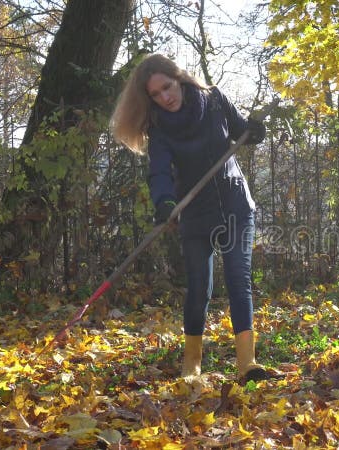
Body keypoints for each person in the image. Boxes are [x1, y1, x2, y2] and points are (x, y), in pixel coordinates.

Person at [110, 53, 273, 382]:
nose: (165, 97)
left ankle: (247, 363)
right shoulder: (159, 129)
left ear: (180, 79)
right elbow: (159, 173)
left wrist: (255, 131)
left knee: (239, 280)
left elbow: (241, 130)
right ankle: (192, 367)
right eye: (155, 94)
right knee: (199, 286)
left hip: (234, 206)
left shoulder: (214, 100)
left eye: (167, 88)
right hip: (195, 211)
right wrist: (165, 201)